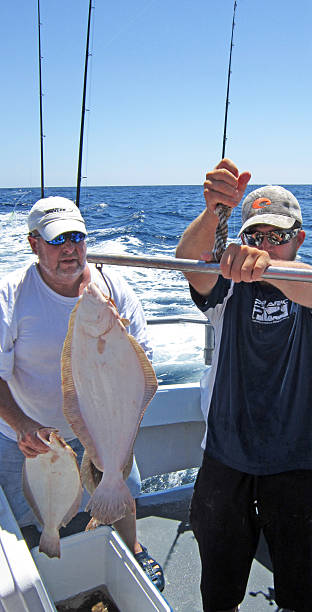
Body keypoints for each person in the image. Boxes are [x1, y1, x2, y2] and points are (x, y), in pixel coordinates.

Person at [176, 159, 312, 612]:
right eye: (254, 236)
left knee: (303, 587)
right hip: (226, 456)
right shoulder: (225, 291)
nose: (265, 244)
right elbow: (190, 265)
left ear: (298, 240)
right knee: (220, 586)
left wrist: (263, 266)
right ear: (240, 237)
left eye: (277, 236)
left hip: (296, 459)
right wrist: (213, 213)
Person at [0, 196, 164, 592]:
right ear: (34, 244)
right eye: (58, 240)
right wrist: (22, 425)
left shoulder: (112, 289)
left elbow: (144, 365)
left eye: (77, 237)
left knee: (121, 495)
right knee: (29, 518)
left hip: (103, 423)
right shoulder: (11, 296)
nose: (71, 249)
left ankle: (133, 550)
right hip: (29, 436)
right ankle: (42, 581)